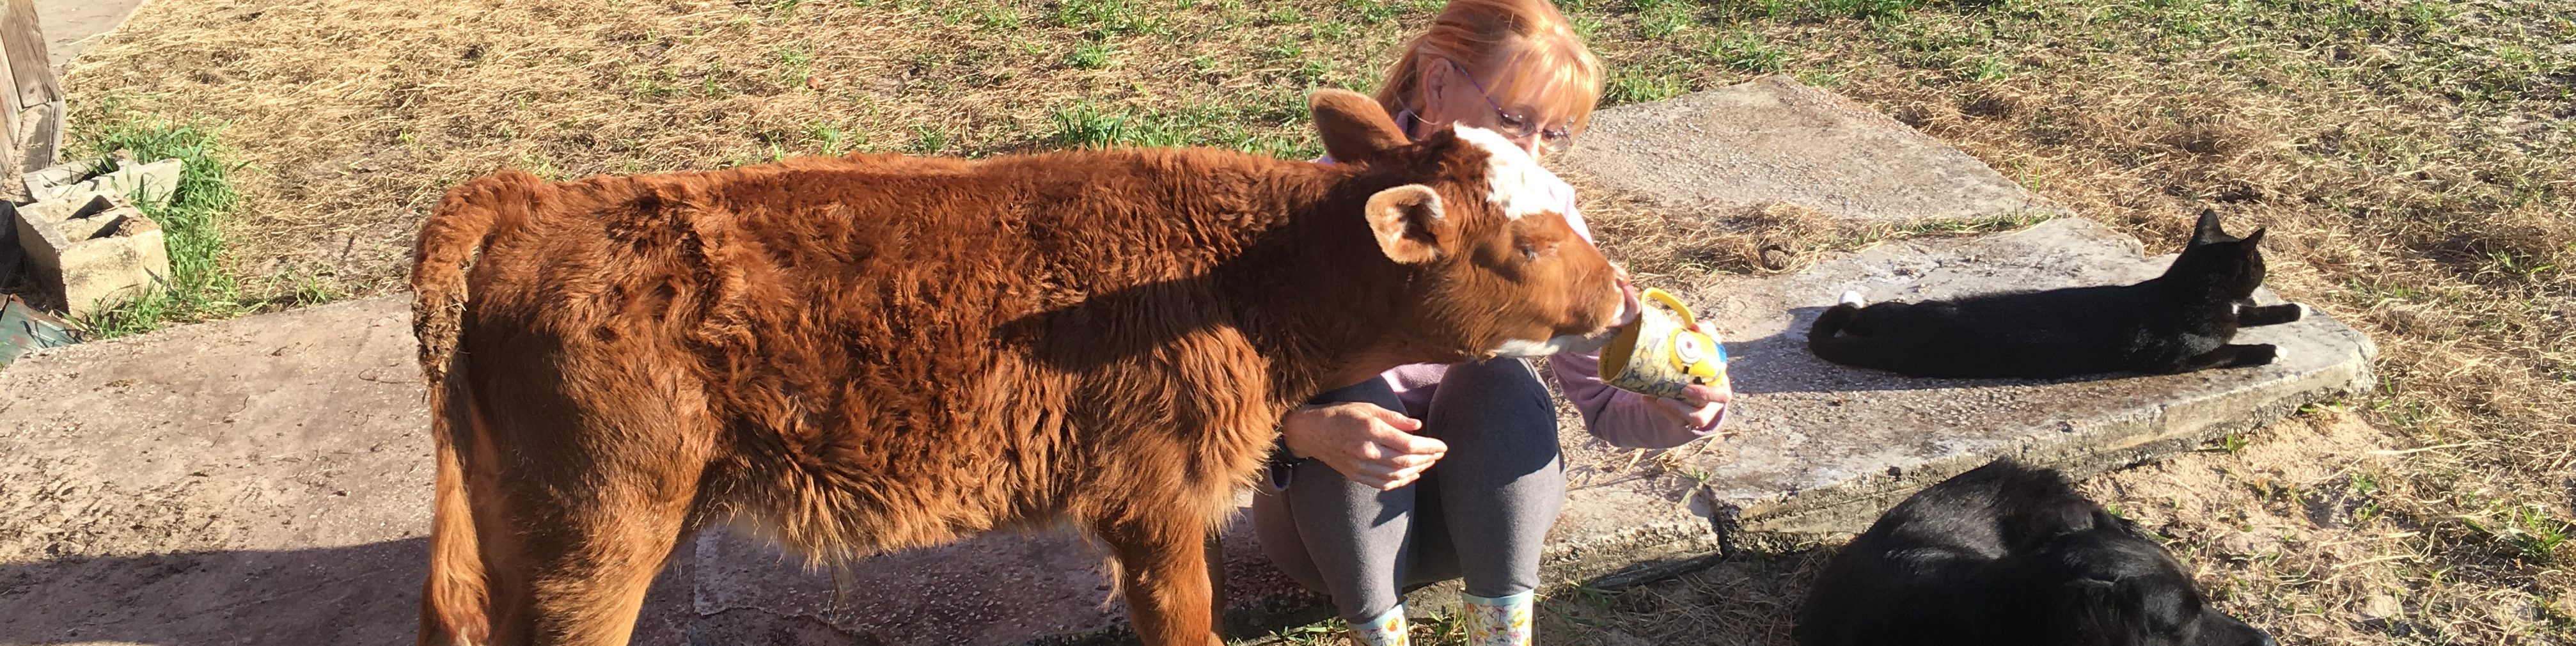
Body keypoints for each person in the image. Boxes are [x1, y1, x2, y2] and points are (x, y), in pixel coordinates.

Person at [1248, 1, 1732, 645]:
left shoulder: (1544, 209)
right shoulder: (1323, 204)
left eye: (1551, 133)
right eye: (1514, 119)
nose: (1532, 151)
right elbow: (1212, 401)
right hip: (1323, 530)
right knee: (1345, 394)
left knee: (1497, 380)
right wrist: (1304, 431)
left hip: (1480, 524)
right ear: (1437, 80)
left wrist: (1677, 409)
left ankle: (1503, 633)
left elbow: (1603, 397)